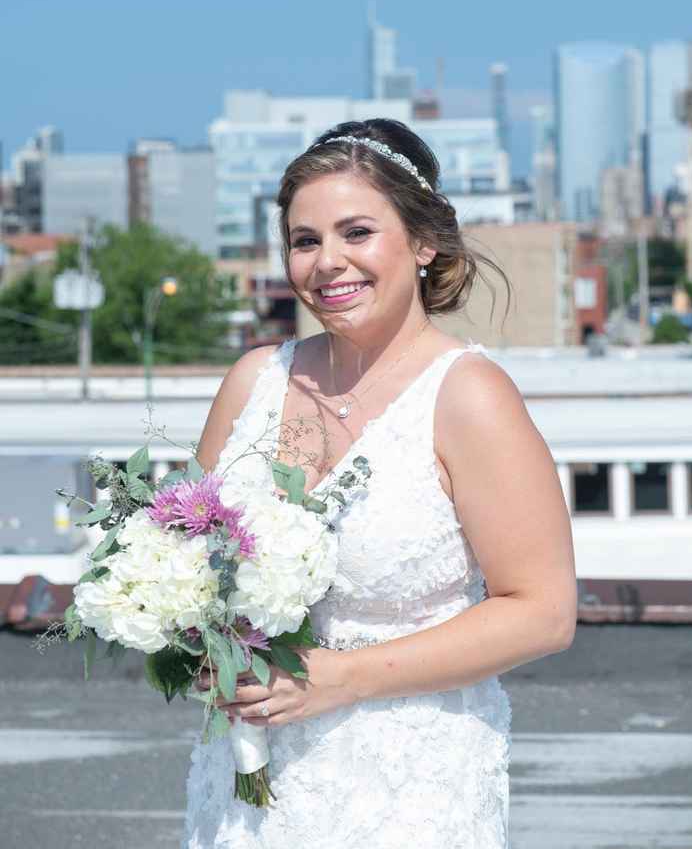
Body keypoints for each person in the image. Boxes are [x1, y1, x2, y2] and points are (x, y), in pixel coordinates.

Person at [184, 119, 576, 849]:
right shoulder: (252, 382)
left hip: (407, 788)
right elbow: (189, 563)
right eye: (305, 240)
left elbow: (544, 613)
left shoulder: (468, 396)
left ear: (424, 242)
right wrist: (194, 639)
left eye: (357, 233)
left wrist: (342, 677)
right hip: (246, 785)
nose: (327, 263)